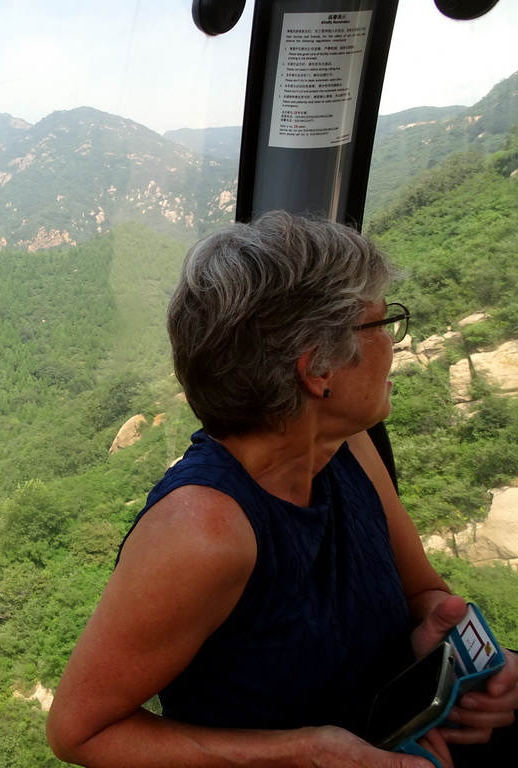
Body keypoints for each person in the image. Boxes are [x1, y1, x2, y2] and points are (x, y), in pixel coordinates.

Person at [45, 211, 518, 767]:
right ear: (318, 369)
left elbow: (422, 595)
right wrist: (302, 754)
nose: (393, 342)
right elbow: (81, 732)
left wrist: (453, 644)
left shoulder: (348, 445)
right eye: (381, 323)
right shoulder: (202, 533)